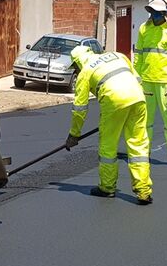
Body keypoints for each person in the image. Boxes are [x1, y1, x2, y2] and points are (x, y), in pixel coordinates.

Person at [65, 46, 153, 204]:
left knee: (108, 146)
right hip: (138, 97)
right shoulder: (117, 55)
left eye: (75, 68)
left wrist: (74, 134)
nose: (76, 71)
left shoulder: (85, 72)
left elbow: (79, 109)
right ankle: (143, 191)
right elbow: (137, 79)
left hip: (114, 101)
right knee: (138, 145)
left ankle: (107, 187)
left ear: (78, 62)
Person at [134, 0, 167, 167]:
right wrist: (136, 79)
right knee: (145, 121)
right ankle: (144, 153)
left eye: (157, 13)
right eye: (152, 13)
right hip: (146, 81)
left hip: (165, 82)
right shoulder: (143, 28)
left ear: (164, 13)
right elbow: (138, 56)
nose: (154, 16)